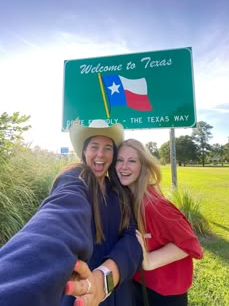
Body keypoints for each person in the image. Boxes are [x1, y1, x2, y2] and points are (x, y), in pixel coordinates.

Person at [0, 120, 142, 306]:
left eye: (108, 148)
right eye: (94, 147)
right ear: (84, 151)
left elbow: (131, 237)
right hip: (79, 295)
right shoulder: (74, 178)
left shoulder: (118, 190)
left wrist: (104, 279)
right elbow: (58, 219)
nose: (100, 154)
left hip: (119, 293)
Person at [115, 139, 204, 306]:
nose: (123, 166)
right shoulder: (128, 198)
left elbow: (190, 244)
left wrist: (150, 261)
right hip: (141, 286)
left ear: (143, 166)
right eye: (120, 160)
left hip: (164, 294)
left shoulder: (154, 206)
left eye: (132, 161)